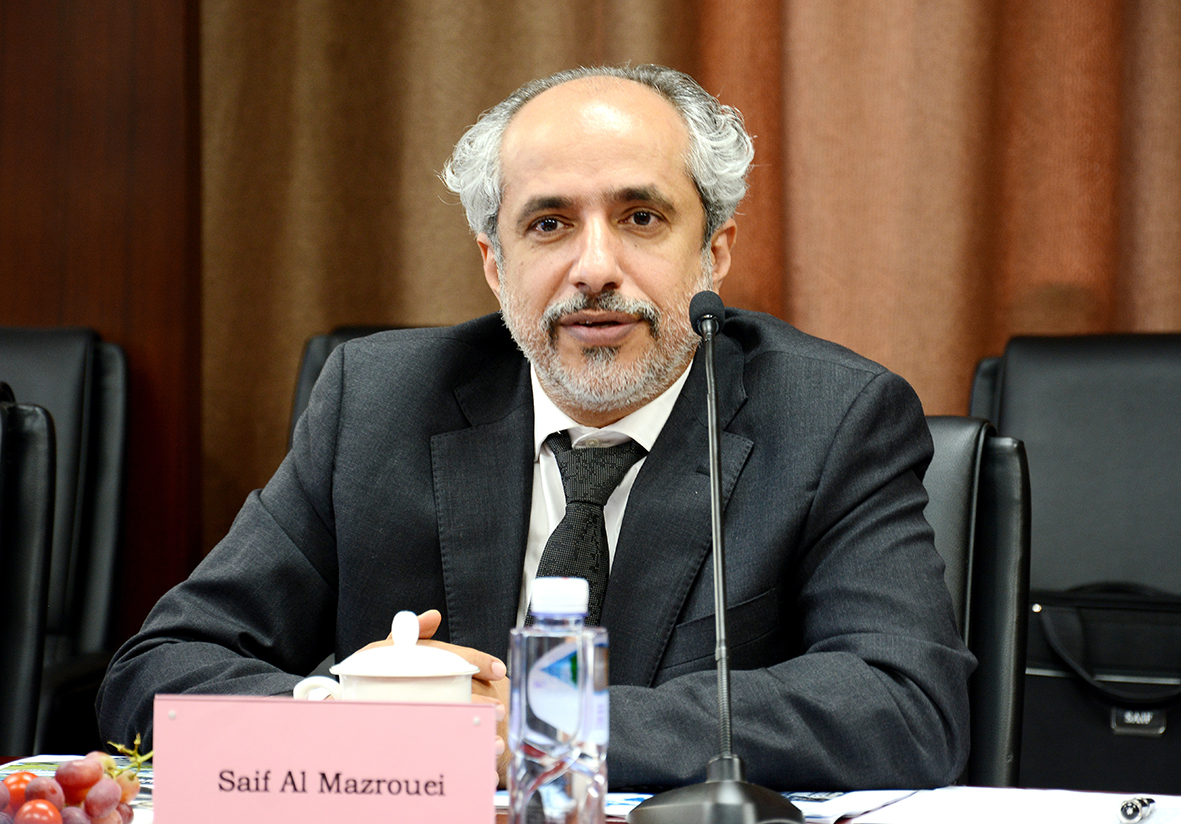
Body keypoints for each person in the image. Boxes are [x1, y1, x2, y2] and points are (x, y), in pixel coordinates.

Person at [98, 64, 973, 791]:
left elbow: (905, 706)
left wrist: (536, 724)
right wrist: (353, 718)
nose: (593, 268)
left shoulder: (831, 419)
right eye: (548, 224)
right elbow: (161, 670)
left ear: (715, 251)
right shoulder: (377, 402)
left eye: (640, 218)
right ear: (495, 264)